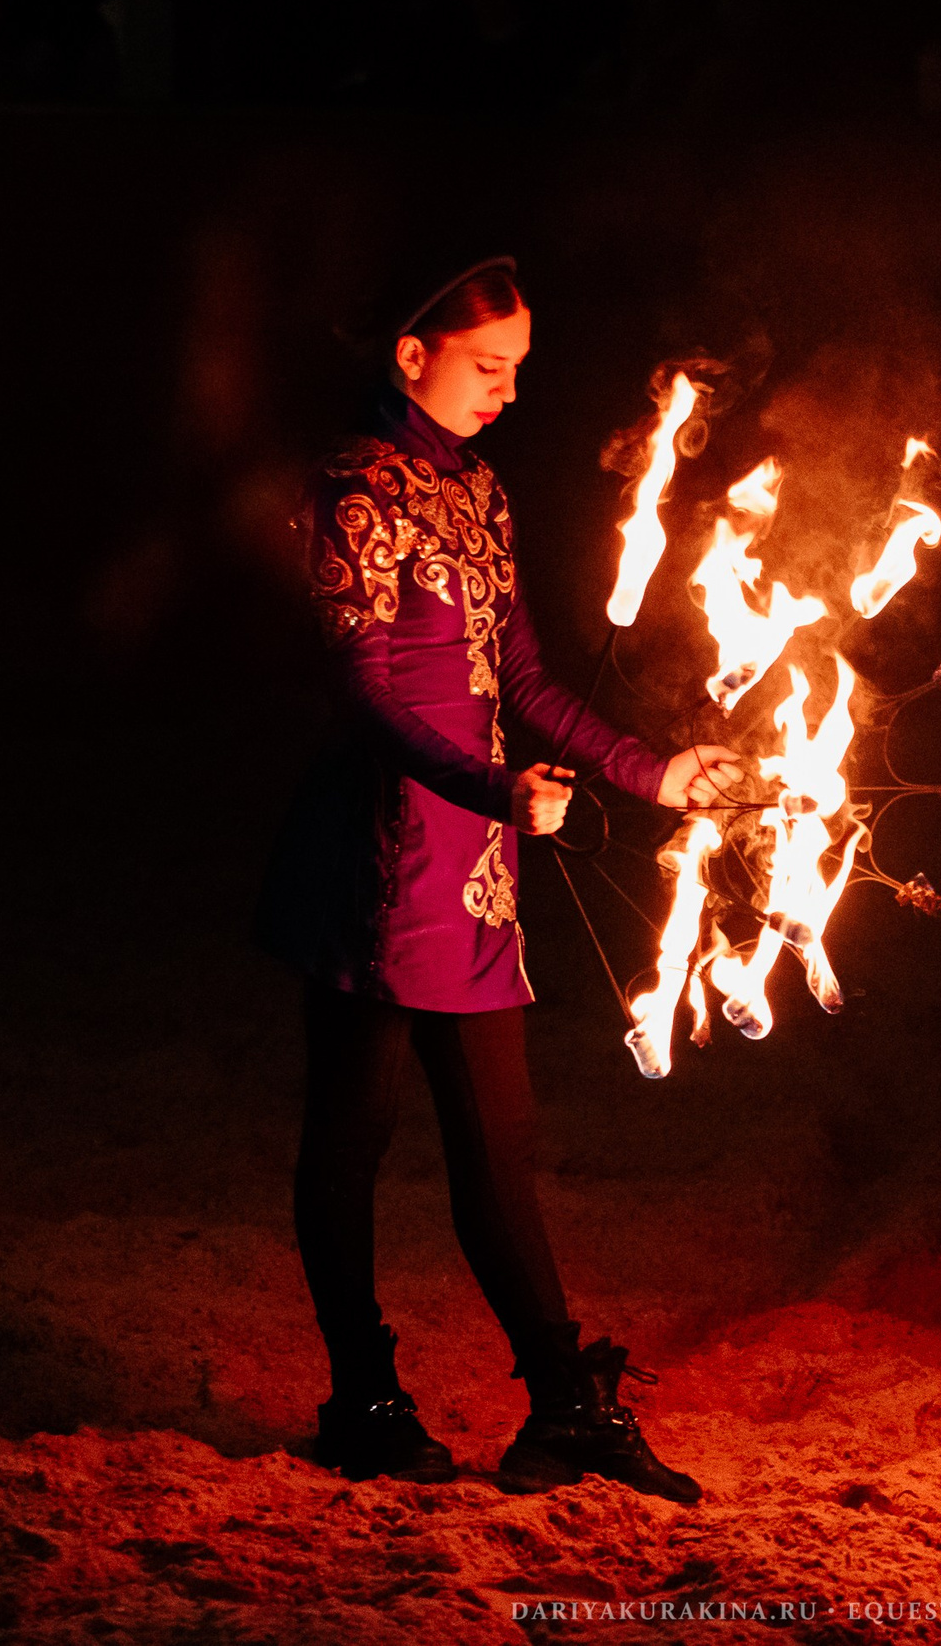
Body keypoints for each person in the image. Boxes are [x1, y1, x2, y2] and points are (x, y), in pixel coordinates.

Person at [256, 256, 740, 1500]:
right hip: (376, 849)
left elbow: (518, 682)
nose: (507, 394)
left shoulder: (478, 488)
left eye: (518, 370)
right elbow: (361, 691)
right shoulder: (351, 489)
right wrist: (489, 791)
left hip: (472, 862)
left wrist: (655, 771)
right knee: (353, 1130)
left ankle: (564, 1406)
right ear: (409, 356)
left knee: (498, 1141)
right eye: (487, 368)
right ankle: (364, 1397)